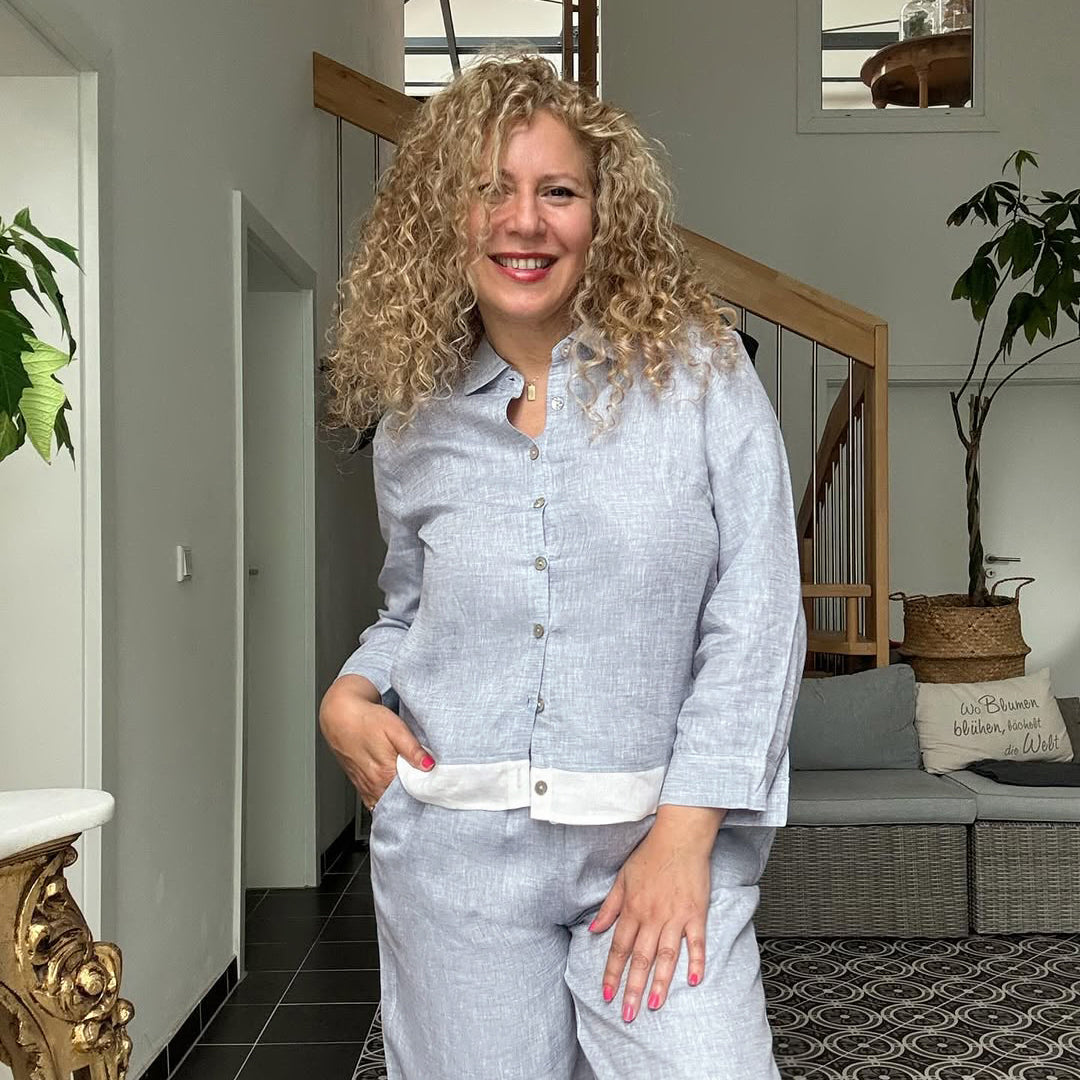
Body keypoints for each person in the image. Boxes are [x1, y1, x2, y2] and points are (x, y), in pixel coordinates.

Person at [319, 52, 806, 1080]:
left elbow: (759, 611)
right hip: (454, 857)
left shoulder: (701, 375)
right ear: (443, 218)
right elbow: (411, 609)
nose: (523, 222)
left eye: (558, 192)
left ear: (603, 214)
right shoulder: (415, 423)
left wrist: (684, 836)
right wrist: (350, 694)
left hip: (655, 844)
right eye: (488, 188)